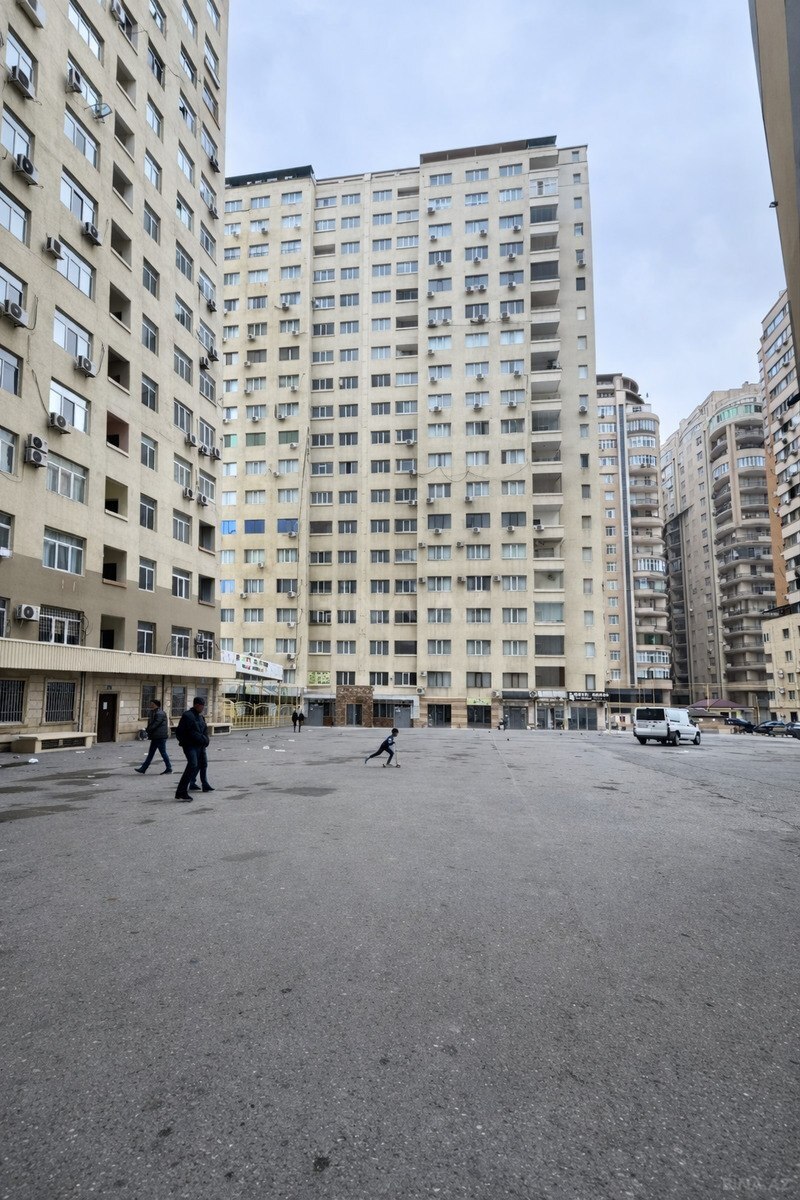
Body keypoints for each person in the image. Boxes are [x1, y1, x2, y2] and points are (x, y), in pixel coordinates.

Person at [174, 696, 214, 801]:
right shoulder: (188, 716)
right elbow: (190, 732)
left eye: (204, 706)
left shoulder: (201, 717)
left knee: (203, 764)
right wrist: (203, 739)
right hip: (190, 745)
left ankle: (204, 784)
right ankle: (181, 791)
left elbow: (204, 730)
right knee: (192, 765)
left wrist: (206, 740)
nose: (203, 708)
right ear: (196, 705)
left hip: (200, 745)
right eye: (201, 706)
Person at [134, 700, 172, 775]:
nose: (150, 705)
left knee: (163, 753)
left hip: (160, 737)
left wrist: (147, 730)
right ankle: (143, 768)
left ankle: (169, 768)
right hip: (156, 736)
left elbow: (155, 724)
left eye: (152, 704)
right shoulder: (154, 712)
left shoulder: (160, 713)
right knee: (151, 753)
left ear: (156, 705)